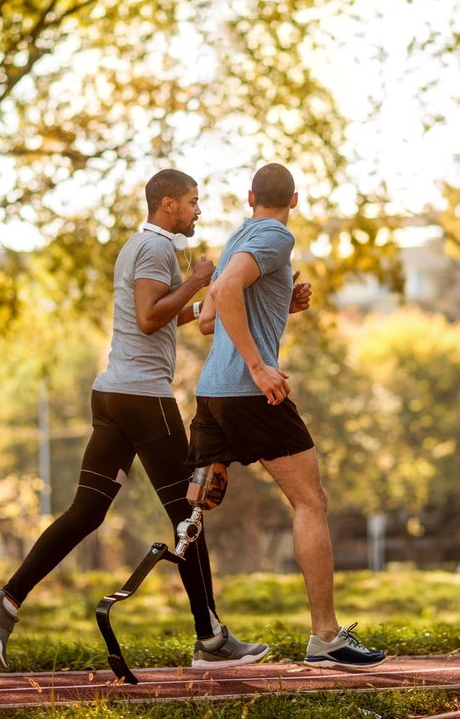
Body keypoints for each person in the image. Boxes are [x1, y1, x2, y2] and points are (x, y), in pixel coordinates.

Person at [0, 169, 268, 672]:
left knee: (87, 511)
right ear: (168, 203)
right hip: (142, 398)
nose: (199, 210)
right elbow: (150, 316)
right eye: (193, 201)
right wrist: (198, 279)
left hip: (113, 395)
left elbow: (169, 317)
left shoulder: (145, 249)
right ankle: (211, 639)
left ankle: (6, 601)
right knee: (189, 517)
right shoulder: (154, 249)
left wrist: (208, 297)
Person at [188, 162, 387, 670]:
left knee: (192, 512)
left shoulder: (238, 238)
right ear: (293, 199)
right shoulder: (276, 235)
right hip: (250, 393)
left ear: (248, 195)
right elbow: (227, 294)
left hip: (211, 393)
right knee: (310, 502)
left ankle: (207, 637)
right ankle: (325, 637)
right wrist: (258, 366)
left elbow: (208, 319)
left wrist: (281, 308)